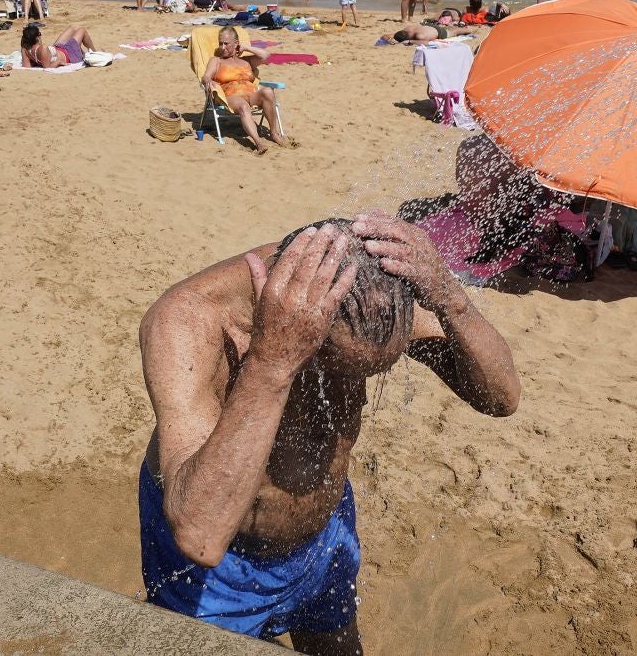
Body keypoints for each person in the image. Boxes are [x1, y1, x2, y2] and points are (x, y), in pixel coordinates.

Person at [136, 214, 518, 650]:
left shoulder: (369, 297)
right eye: (336, 369)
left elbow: (501, 399)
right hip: (218, 569)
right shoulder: (188, 319)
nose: (350, 388)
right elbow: (199, 536)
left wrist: (451, 298)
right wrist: (272, 360)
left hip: (324, 538)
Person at [199, 26, 294, 153]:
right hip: (230, 97)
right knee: (243, 106)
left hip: (251, 95)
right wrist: (208, 81)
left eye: (226, 44)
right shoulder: (216, 61)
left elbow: (266, 55)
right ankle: (259, 143)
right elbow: (206, 76)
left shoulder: (246, 61)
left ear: (236, 44)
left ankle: (274, 133)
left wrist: (246, 48)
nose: (222, 47)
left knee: (268, 91)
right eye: (220, 43)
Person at [20, 23, 96, 69]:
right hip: (69, 55)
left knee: (72, 28)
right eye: (40, 34)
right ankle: (94, 52)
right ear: (37, 38)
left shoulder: (25, 49)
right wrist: (58, 62)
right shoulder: (43, 48)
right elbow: (48, 67)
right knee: (82, 30)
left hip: (58, 48)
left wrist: (35, 62)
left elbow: (26, 66)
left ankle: (80, 50)